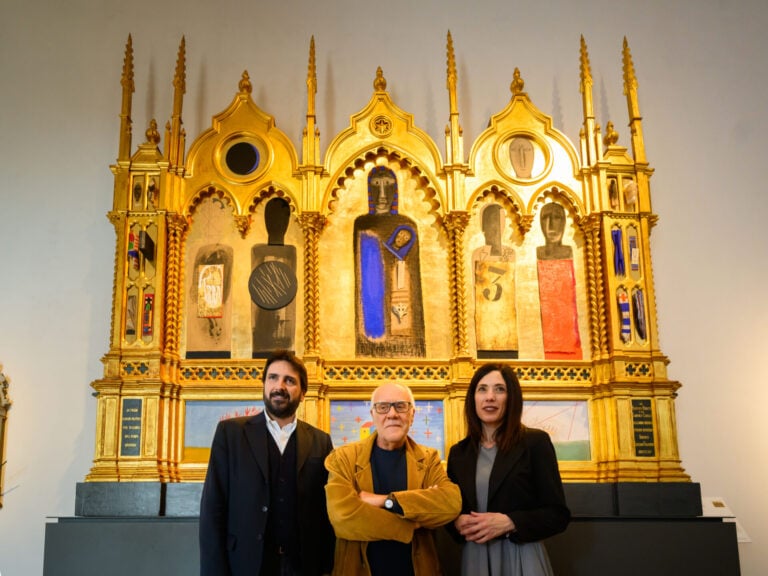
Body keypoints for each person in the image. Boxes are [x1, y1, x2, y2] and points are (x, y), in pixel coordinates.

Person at [199, 350, 334, 576]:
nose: (279, 386)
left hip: (303, 565)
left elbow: (326, 513)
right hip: (245, 563)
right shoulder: (230, 433)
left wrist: (328, 569)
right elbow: (213, 508)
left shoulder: (321, 441)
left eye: (289, 380)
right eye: (273, 378)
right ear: (263, 385)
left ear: (302, 393)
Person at [324, 382, 461, 576]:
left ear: (412, 414)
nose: (392, 414)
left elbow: (450, 504)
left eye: (401, 406)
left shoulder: (429, 459)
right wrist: (411, 524)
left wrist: (385, 501)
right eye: (383, 407)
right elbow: (342, 517)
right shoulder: (343, 458)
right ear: (372, 414)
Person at [447, 363, 570, 576]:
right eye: (482, 389)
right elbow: (450, 511)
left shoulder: (535, 442)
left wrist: (510, 522)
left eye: (500, 389)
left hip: (522, 558)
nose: (490, 397)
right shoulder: (459, 453)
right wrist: (456, 522)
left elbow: (557, 515)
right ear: (473, 399)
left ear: (511, 398)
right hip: (475, 560)